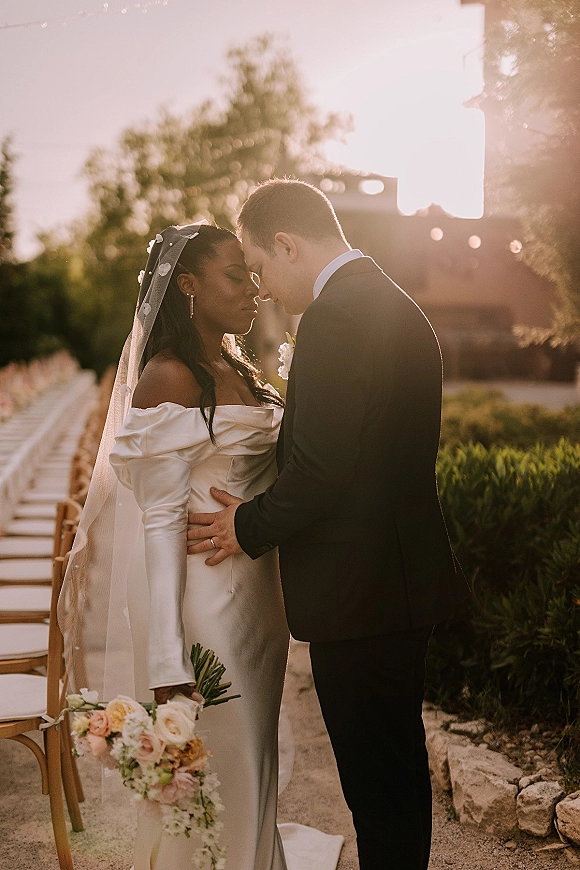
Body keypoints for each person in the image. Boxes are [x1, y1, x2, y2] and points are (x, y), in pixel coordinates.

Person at [186, 180, 471, 870]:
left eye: (260, 268)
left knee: (378, 791)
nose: (264, 290)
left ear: (287, 244)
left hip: (362, 593)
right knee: (395, 781)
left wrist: (244, 527)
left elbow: (320, 471)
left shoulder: (338, 318)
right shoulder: (383, 300)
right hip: (391, 582)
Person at [58, 222, 343, 870]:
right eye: (235, 276)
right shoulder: (168, 376)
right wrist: (165, 663)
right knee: (218, 761)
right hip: (198, 604)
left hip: (255, 603)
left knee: (250, 754)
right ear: (187, 285)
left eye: (254, 275)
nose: (255, 290)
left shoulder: (235, 366)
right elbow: (160, 520)